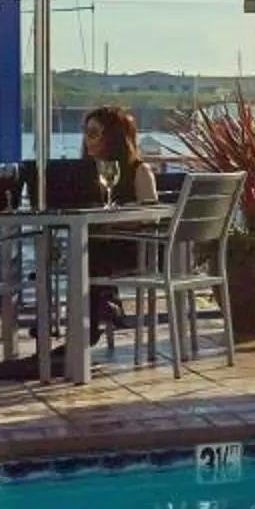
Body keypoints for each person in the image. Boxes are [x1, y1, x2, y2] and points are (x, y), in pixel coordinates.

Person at [82, 105, 160, 343]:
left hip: (133, 249)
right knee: (82, 252)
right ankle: (103, 305)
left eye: (94, 133)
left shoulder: (139, 171)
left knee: (87, 255)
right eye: (86, 133)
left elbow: (151, 217)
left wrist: (116, 223)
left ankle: (88, 331)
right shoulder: (83, 173)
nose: (87, 140)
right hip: (98, 246)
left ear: (113, 136)